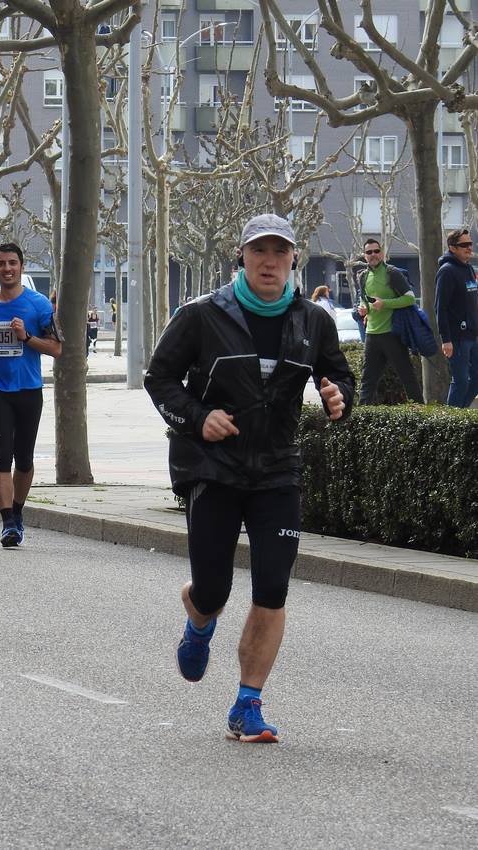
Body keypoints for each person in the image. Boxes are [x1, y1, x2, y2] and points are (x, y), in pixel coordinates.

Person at [144, 214, 354, 744]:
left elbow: (342, 378)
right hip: (213, 468)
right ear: (241, 257)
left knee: (273, 587)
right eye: (259, 251)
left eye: (279, 252)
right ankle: (200, 618)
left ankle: (247, 703)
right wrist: (197, 417)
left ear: (292, 261)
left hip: (278, 469)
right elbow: (159, 378)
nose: (269, 261)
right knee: (213, 587)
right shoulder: (201, 315)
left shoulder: (313, 321)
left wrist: (339, 399)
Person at [0, 242, 62, 548]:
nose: (7, 269)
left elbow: (57, 348)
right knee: (2, 457)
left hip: (30, 390)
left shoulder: (39, 305)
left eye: (12, 263)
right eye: (1, 264)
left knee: (25, 459)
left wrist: (26, 337)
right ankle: (8, 523)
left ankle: (18, 512)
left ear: (22, 267)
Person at [355, 238, 423, 404]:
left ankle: (421, 415)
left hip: (392, 334)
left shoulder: (392, 273)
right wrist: (363, 308)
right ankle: (359, 421)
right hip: (372, 334)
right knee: (367, 382)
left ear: (382, 253)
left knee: (407, 378)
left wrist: (385, 303)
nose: (373, 255)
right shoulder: (363, 276)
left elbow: (410, 299)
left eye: (376, 251)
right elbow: (365, 300)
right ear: (364, 256)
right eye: (369, 252)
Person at [434, 228, 478, 408]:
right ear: (452, 248)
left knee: (475, 378)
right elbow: (440, 308)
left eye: (470, 244)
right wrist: (446, 340)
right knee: (460, 381)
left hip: (473, 335)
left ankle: (460, 414)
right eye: (464, 245)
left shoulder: (468, 268)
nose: (469, 248)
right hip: (457, 338)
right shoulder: (447, 271)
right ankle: (449, 421)